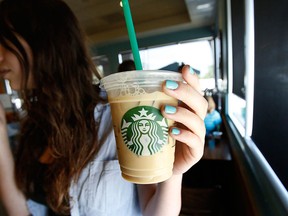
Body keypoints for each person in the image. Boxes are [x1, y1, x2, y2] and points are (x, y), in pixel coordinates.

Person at [0, 0, 207, 215]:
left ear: (45, 41)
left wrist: (171, 173)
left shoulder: (117, 114)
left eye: (6, 43)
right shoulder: (34, 124)